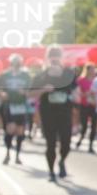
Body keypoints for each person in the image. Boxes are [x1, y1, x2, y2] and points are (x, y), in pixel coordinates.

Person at [32, 46, 77, 182]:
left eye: (57, 55)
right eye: (52, 55)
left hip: (65, 113)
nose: (55, 58)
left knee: (66, 143)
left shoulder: (69, 74)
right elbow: (30, 94)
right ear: (48, 58)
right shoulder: (41, 75)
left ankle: (62, 161)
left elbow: (76, 90)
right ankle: (51, 171)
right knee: (50, 143)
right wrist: (43, 90)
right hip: (48, 113)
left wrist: (76, 96)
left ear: (61, 57)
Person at [0, 54, 31, 164]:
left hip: (21, 105)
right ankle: (7, 153)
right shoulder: (5, 75)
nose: (16, 65)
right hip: (9, 105)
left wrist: (25, 92)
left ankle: (17, 155)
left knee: (20, 131)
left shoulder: (26, 75)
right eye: (14, 63)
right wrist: (2, 94)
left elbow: (31, 90)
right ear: (11, 63)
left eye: (18, 63)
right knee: (10, 129)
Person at [74, 63, 97, 152]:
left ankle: (91, 145)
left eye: (94, 69)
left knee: (94, 125)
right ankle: (81, 139)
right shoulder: (81, 80)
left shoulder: (96, 80)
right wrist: (86, 94)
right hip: (84, 105)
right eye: (91, 69)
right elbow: (77, 93)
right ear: (87, 70)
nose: (93, 71)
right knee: (84, 125)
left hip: (94, 105)